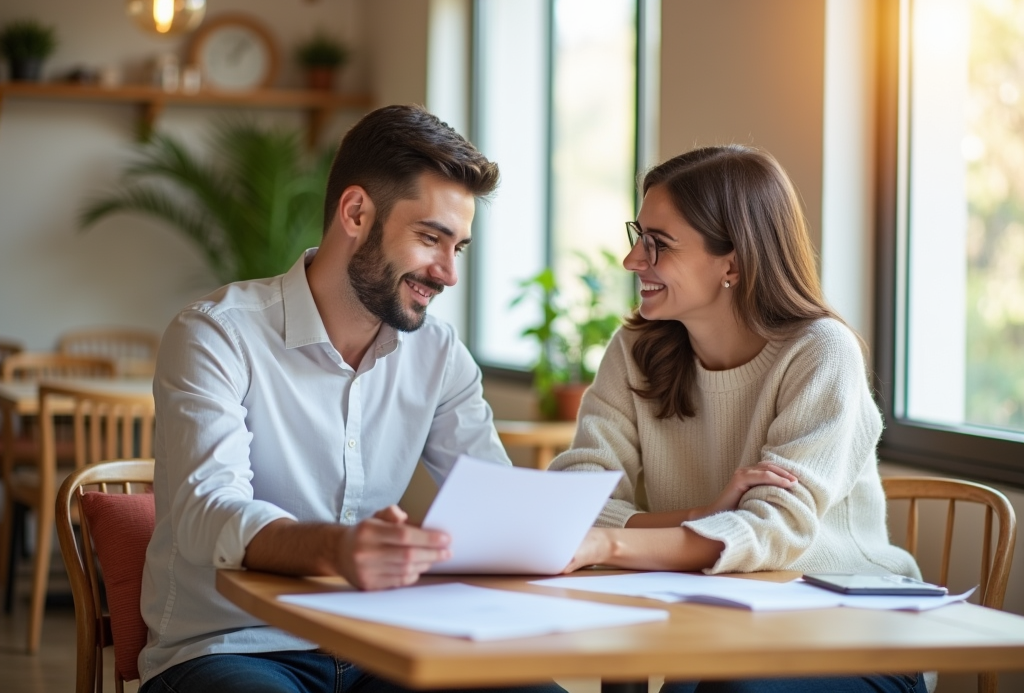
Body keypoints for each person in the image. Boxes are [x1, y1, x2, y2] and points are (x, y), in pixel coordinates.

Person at [139, 105, 562, 693]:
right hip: (233, 648)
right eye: (429, 238)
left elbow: (494, 503)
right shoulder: (217, 334)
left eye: (458, 248)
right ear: (357, 212)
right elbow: (207, 513)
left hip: (382, 645)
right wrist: (337, 549)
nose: (447, 274)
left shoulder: (439, 354)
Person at [550, 145, 930, 693]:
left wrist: (607, 543)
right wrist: (703, 514)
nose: (633, 260)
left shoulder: (821, 352)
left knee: (726, 690)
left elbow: (773, 531)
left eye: (659, 245)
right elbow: (574, 498)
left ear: (732, 262)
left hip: (855, 630)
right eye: (638, 236)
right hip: (722, 622)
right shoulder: (636, 349)